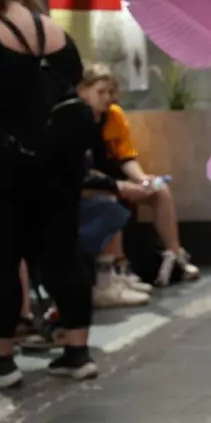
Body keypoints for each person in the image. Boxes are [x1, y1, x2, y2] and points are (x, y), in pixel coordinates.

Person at [0, 0, 99, 387]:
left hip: (4, 164)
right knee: (62, 251)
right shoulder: (54, 32)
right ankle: (77, 351)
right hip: (62, 162)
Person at [83, 65, 200, 287]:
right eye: (101, 92)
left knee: (159, 191)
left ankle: (175, 254)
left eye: (110, 92)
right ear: (85, 91)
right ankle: (120, 267)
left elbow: (126, 157)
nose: (107, 98)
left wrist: (142, 179)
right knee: (111, 200)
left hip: (116, 175)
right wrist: (119, 186)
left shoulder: (114, 116)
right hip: (93, 182)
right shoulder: (77, 118)